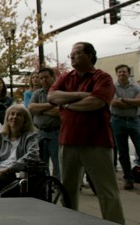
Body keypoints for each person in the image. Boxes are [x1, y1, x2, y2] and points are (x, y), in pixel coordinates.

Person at [48, 42, 125, 224]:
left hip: (96, 143)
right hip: (67, 142)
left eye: (77, 53)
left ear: (90, 55)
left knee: (106, 191)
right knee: (68, 190)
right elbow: (51, 97)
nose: (72, 56)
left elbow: (96, 103)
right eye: (71, 54)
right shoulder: (66, 77)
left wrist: (65, 104)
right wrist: (81, 95)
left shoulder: (103, 78)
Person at [110, 64, 140, 190]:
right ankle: (128, 179)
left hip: (134, 121)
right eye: (119, 72)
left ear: (129, 73)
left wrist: (122, 100)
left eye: (124, 72)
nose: (122, 74)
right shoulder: (112, 87)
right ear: (117, 74)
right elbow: (113, 102)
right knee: (123, 152)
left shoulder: (136, 87)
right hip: (118, 121)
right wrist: (131, 102)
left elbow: (139, 102)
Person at [28, 68, 61, 178]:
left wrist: (40, 110)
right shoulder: (37, 93)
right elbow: (31, 108)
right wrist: (51, 105)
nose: (43, 80)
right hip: (40, 133)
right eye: (41, 78)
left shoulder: (59, 92)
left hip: (56, 133)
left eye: (46, 77)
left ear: (53, 77)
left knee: (58, 164)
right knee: (41, 165)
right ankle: (45, 189)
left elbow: (60, 112)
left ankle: (59, 187)